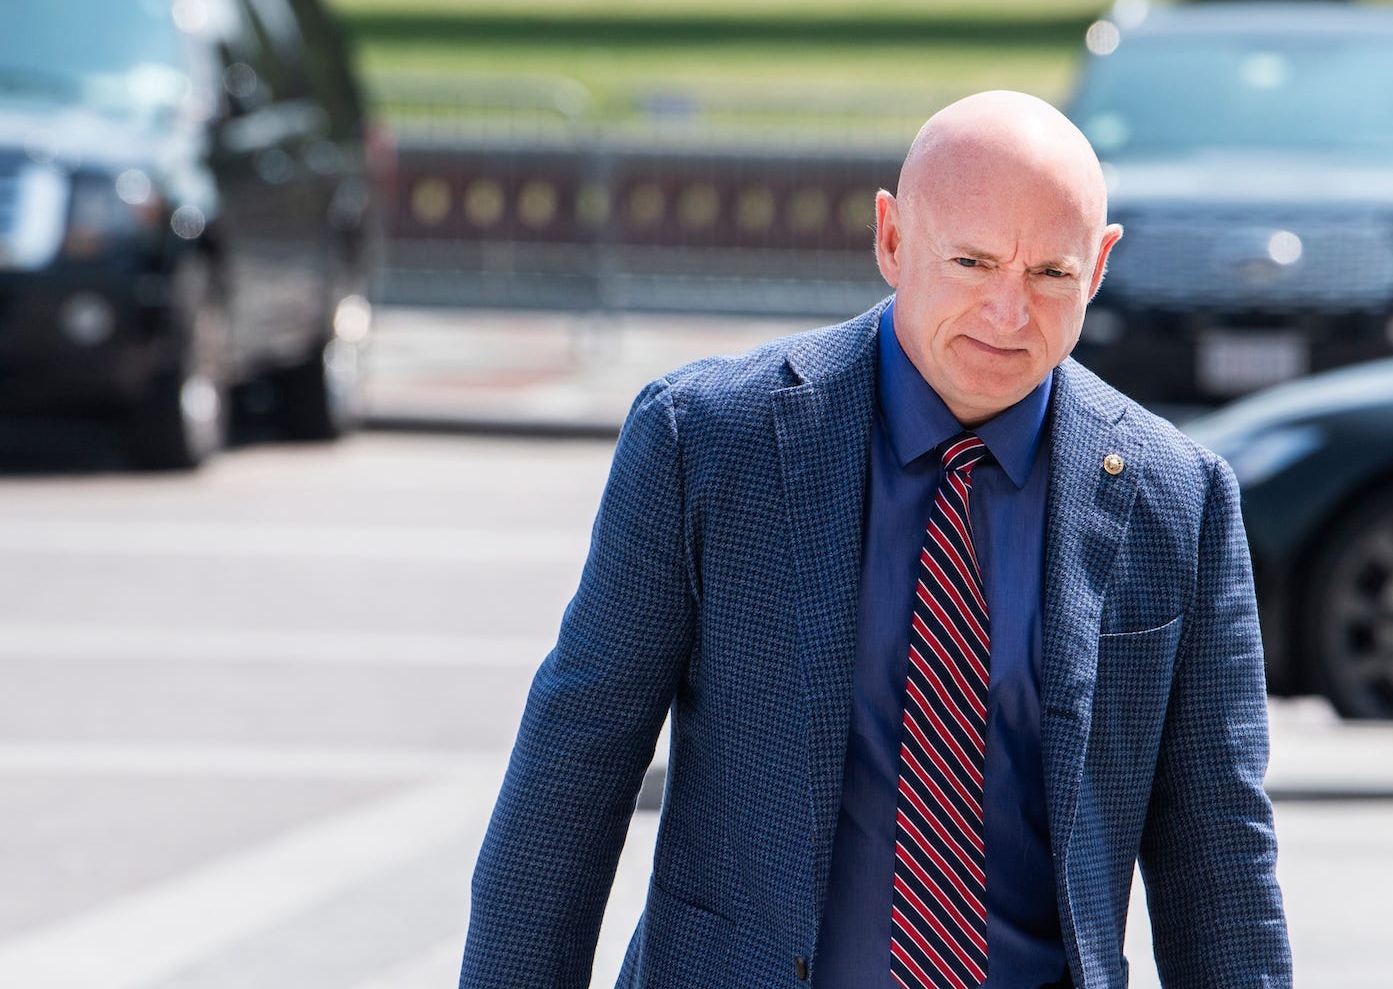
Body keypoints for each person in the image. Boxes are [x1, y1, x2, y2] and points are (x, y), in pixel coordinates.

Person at [459, 90, 1290, 989]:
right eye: (972, 262)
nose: (1008, 316)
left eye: (1050, 273)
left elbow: (1221, 862)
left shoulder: (1178, 498)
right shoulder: (706, 442)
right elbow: (572, 773)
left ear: (1099, 268)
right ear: (891, 240)